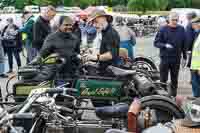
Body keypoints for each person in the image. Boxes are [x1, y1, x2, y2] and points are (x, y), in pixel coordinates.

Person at [154, 12, 187, 97]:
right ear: (169, 20)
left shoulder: (181, 29)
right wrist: (165, 45)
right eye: (173, 20)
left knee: (174, 79)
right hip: (165, 58)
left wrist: (185, 57)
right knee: (163, 79)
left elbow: (184, 43)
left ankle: (173, 95)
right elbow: (156, 43)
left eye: (176, 20)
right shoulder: (163, 29)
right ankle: (163, 96)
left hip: (176, 58)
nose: (175, 22)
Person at [85, 9, 120, 73]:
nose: (94, 25)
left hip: (109, 71)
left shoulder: (111, 33)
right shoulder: (103, 31)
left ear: (104, 18)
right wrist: (92, 50)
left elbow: (111, 55)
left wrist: (94, 57)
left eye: (96, 21)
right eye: (93, 22)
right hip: (103, 68)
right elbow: (104, 48)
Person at [190, 17, 200, 97]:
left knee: (197, 81)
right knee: (194, 81)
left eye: (193, 25)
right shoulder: (197, 34)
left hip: (198, 65)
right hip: (194, 64)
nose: (192, 27)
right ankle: (196, 96)